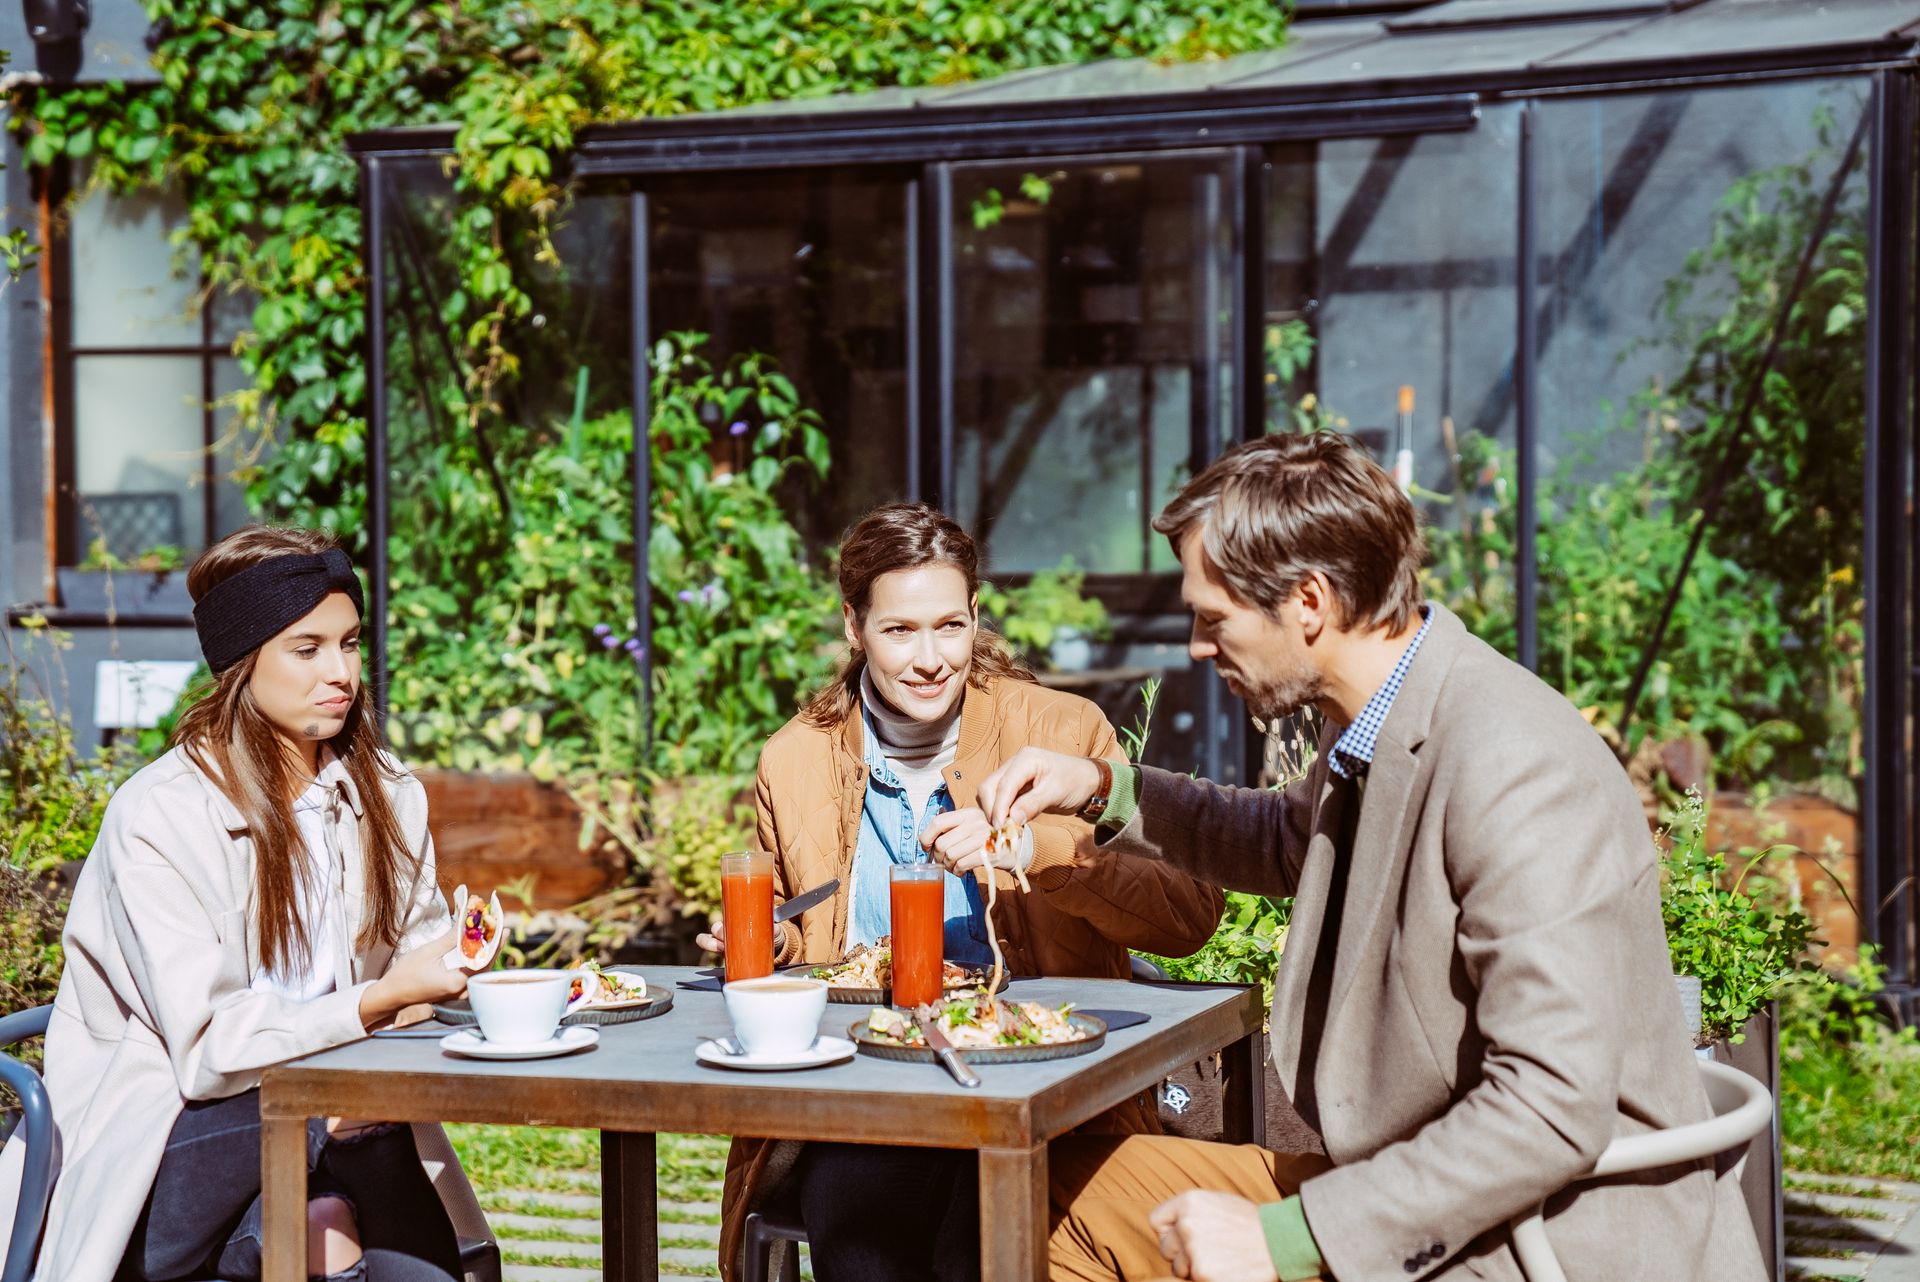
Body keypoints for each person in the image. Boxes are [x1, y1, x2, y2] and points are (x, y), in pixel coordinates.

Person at [971, 433, 1766, 1282]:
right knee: (1056, 1189)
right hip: (1429, 1191)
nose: (1199, 646)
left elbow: (1549, 1108)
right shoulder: (1387, 718)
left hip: (1534, 1241)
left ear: (1308, 601)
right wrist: (1102, 785)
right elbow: (1286, 842)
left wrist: (1286, 1242)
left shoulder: (1514, 765)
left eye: (1214, 617)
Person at [705, 502, 1224, 1282]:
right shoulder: (795, 760)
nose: (930, 658)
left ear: (976, 616)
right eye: (899, 630)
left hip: (1037, 1085)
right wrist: (775, 943)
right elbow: (798, 932)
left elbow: (1188, 918)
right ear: (854, 626)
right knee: (860, 1210)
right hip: (866, 1096)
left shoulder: (1060, 731)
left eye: (950, 626)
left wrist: (1032, 846)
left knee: (976, 1230)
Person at [0, 526, 484, 1282]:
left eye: (350, 643)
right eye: (307, 648)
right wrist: (377, 1001)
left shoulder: (386, 795)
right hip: (166, 1146)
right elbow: (207, 1054)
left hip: (339, 1138)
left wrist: (449, 973)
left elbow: (421, 968)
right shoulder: (160, 815)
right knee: (341, 1142)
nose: (342, 673)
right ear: (241, 660)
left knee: (337, 1204)